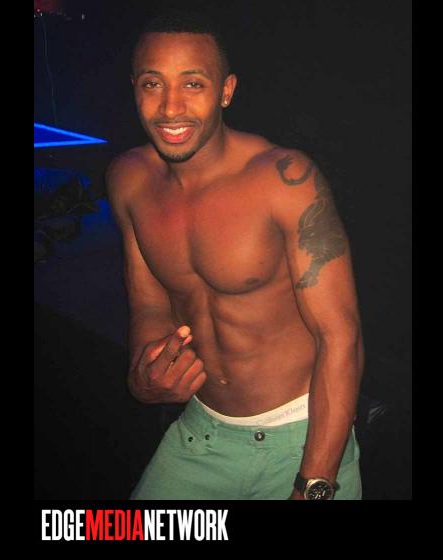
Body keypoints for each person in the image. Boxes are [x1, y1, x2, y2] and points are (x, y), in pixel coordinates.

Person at [106, 11, 364, 500]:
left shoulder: (285, 179)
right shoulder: (129, 180)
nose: (170, 108)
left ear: (226, 91)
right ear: (134, 88)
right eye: (153, 84)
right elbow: (149, 304)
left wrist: (314, 482)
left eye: (193, 84)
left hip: (305, 437)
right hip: (202, 435)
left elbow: (340, 336)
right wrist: (145, 374)